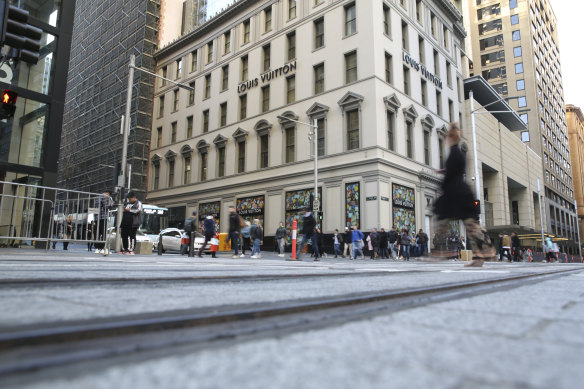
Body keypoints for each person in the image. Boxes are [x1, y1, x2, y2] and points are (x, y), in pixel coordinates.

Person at [433, 123, 495, 267]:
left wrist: (443, 179)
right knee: (471, 226)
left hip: (456, 193)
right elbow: (454, 171)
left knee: (444, 219)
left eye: (447, 138)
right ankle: (481, 255)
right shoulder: (459, 153)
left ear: (450, 138)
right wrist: (443, 172)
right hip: (462, 192)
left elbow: (451, 174)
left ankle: (438, 251)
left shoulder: (455, 153)